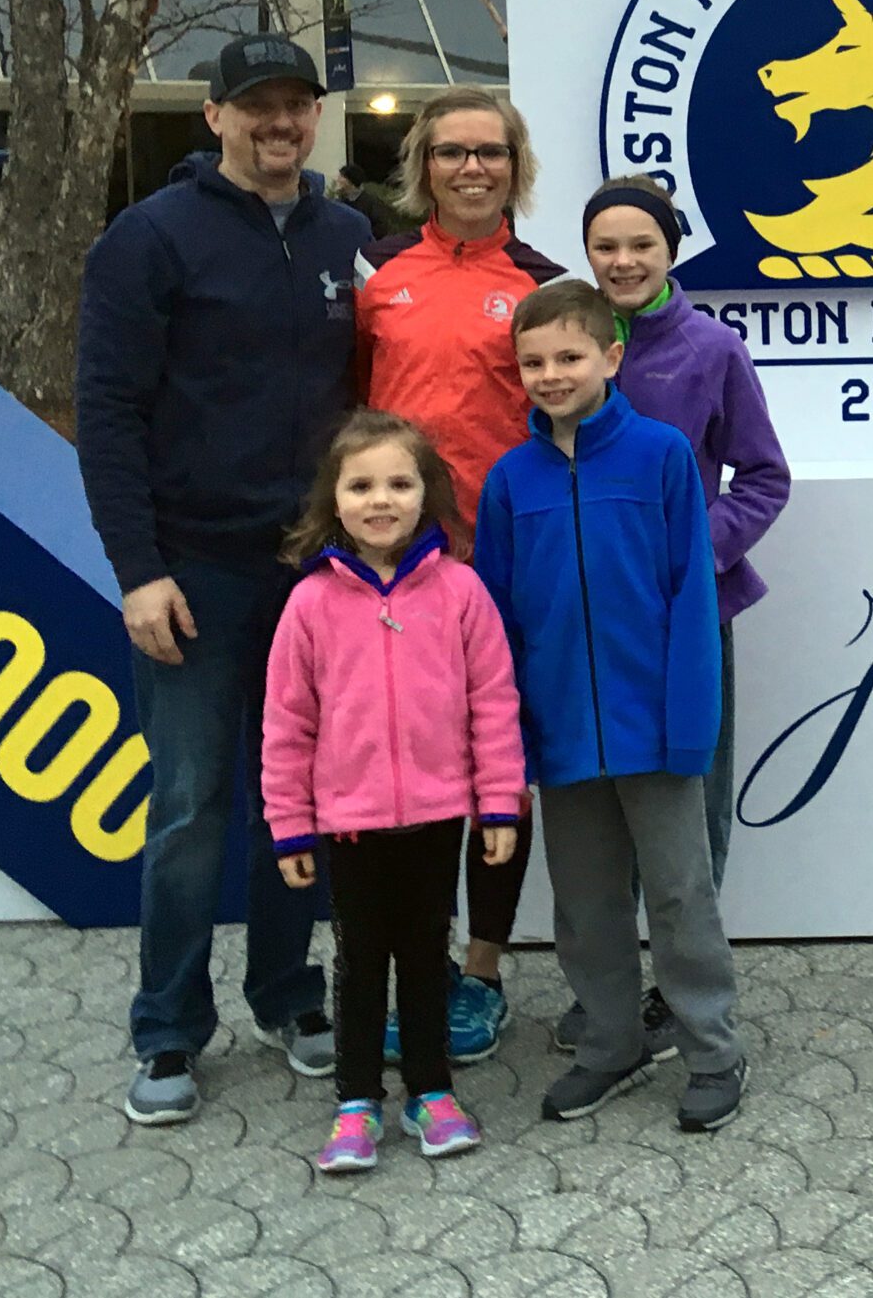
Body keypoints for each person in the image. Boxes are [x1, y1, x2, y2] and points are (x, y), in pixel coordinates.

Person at [76, 34, 369, 1125]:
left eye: (297, 105)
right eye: (258, 107)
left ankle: (290, 995)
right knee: (194, 803)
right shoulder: (149, 238)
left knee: (302, 799)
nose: (279, 123)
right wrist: (138, 570)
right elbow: (106, 415)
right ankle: (167, 1028)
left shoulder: (346, 235)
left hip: (319, 571)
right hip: (195, 570)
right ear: (214, 117)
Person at [473, 280, 748, 1130]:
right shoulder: (510, 481)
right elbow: (497, 623)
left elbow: (691, 601)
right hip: (561, 733)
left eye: (569, 356)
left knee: (678, 892)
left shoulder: (663, 456)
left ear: (612, 358)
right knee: (585, 903)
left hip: (656, 729)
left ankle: (711, 1047)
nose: (552, 374)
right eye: (534, 361)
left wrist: (690, 723)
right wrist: (509, 740)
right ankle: (611, 1044)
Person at [353, 87, 563, 1062]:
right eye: (451, 153)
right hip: (397, 575)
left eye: (489, 152)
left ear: (515, 167)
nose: (471, 168)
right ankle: (419, 960)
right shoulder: (381, 279)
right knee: (411, 770)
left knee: (498, 774)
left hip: (509, 568)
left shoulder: (546, 286)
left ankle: (481, 969)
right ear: (422, 167)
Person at [262, 410, 527, 1172]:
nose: (382, 499)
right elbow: (287, 722)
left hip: (439, 818)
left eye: (400, 483)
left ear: (427, 494)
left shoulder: (462, 592)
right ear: (334, 500)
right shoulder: (310, 603)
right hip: (348, 823)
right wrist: (291, 825)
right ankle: (354, 1102)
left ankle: (430, 1092)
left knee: (424, 954)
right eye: (362, 484)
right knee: (357, 961)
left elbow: (493, 701)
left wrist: (498, 801)